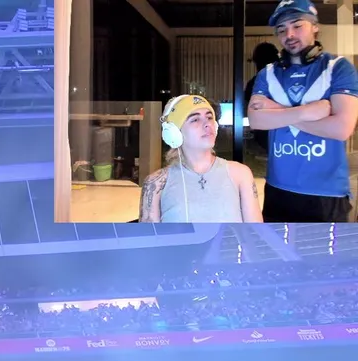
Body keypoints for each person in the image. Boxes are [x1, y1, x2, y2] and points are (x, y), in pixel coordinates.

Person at [248, 0, 358, 222]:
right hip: (278, 189)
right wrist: (308, 112)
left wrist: (277, 110)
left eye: (297, 26)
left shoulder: (338, 67)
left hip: (326, 193)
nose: (289, 34)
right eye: (281, 29)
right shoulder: (267, 73)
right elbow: (256, 120)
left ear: (315, 26)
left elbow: (341, 129)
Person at [139, 94, 262, 222]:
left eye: (209, 117)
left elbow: (255, 232)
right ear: (174, 133)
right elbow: (149, 234)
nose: (207, 124)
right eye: (195, 119)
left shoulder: (241, 174)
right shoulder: (155, 184)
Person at [244, 42, 283, 153]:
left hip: (267, 138)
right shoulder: (254, 83)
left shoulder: (253, 83)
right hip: (277, 136)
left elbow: (247, 110)